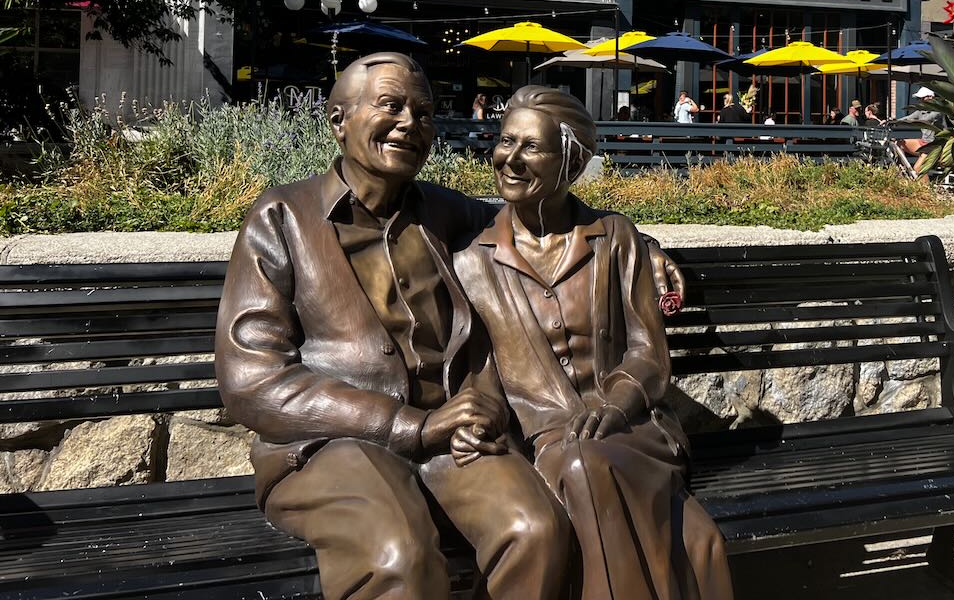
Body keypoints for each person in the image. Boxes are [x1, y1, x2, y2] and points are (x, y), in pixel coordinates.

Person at [216, 53, 571, 600]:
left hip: (452, 437)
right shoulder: (282, 217)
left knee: (537, 531)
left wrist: (641, 248)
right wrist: (405, 426)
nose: (411, 122)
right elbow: (252, 380)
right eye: (391, 105)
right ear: (339, 121)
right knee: (397, 555)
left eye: (425, 113)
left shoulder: (450, 215)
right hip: (329, 446)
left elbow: (549, 222)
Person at [454, 87, 734, 600]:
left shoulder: (615, 239)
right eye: (504, 141)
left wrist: (616, 400)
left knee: (619, 486)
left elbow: (648, 351)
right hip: (545, 441)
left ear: (572, 162)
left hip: (633, 428)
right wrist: (475, 423)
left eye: (530, 147)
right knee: (582, 465)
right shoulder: (474, 263)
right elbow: (481, 375)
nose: (509, 159)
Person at [899, 86, 944, 170]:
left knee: (918, 168)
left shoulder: (937, 111)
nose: (920, 101)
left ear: (930, 97)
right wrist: (891, 121)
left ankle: (924, 183)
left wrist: (915, 120)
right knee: (900, 144)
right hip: (923, 142)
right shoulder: (920, 111)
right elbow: (908, 118)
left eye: (922, 98)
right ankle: (903, 170)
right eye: (919, 99)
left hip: (933, 145)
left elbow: (928, 119)